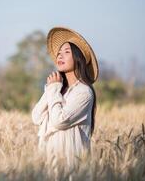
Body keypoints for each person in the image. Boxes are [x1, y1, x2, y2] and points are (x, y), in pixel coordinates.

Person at [31, 26, 99, 179]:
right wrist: (52, 89)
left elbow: (59, 121)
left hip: (72, 167)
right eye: (59, 53)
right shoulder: (58, 89)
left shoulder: (84, 92)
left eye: (66, 52)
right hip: (51, 163)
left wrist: (53, 89)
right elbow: (36, 117)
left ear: (78, 57)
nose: (60, 56)